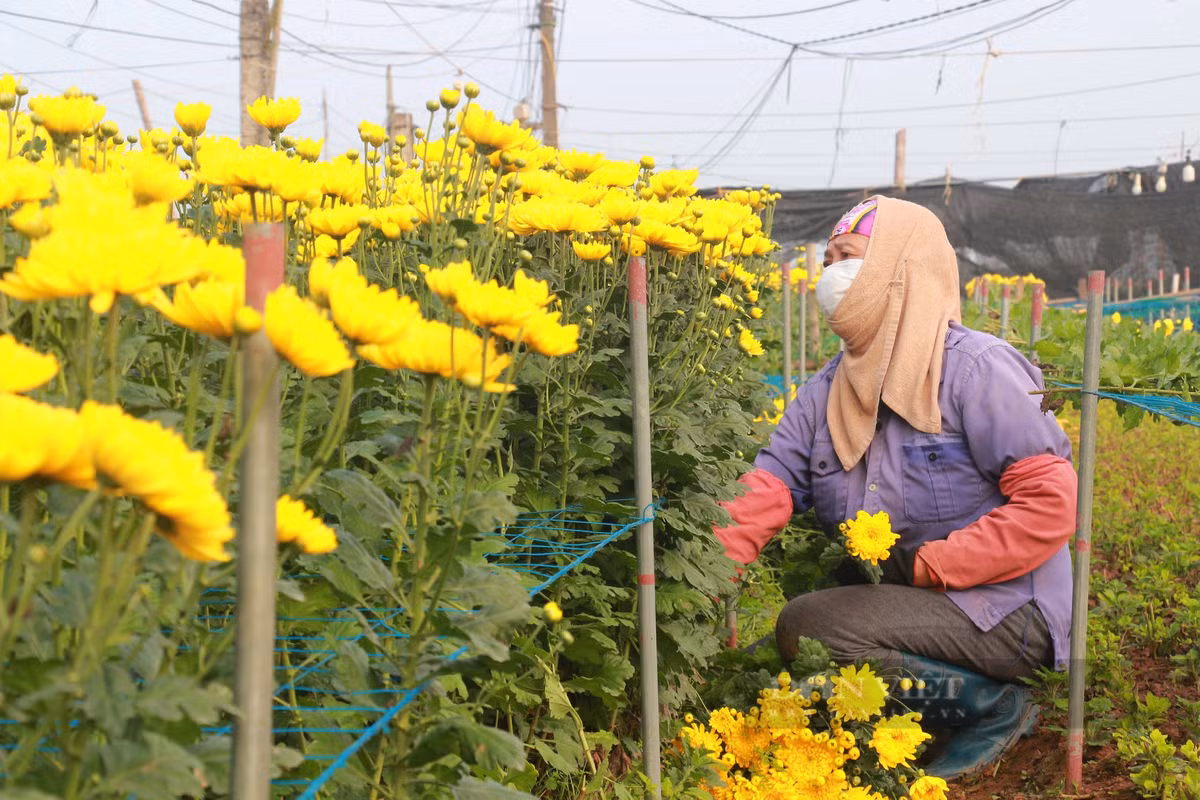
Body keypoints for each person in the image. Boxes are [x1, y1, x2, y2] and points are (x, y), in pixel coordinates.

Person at [713, 195, 1076, 779]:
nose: (831, 275)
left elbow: (1049, 504)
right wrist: (706, 570)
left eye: (849, 258)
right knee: (753, 675)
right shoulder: (826, 391)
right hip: (907, 608)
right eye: (827, 260)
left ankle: (990, 707)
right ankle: (918, 713)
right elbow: (768, 486)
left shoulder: (976, 370)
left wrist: (940, 563)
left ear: (898, 269)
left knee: (811, 627)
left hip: (1004, 610)